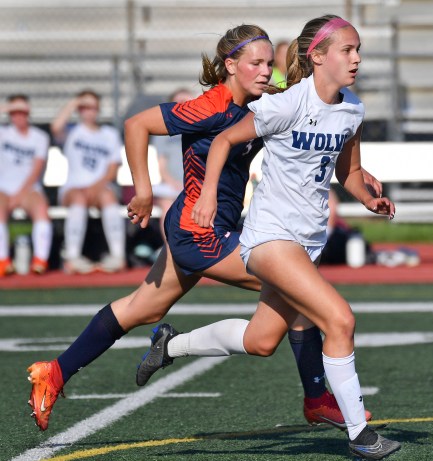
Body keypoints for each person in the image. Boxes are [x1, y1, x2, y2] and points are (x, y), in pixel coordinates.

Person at [26, 23, 377, 435]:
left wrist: (354, 170)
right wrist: (142, 190)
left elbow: (305, 116)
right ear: (231, 65)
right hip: (198, 231)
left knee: (144, 308)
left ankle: (55, 371)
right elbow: (136, 125)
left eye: (270, 63)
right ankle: (317, 399)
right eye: (256, 64)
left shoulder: (261, 105)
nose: (267, 72)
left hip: (218, 228)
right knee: (300, 292)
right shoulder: (209, 106)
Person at [144, 15, 402, 459]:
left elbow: (349, 171)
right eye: (347, 50)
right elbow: (224, 141)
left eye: (358, 50)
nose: (356, 59)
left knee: (261, 341)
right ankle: (360, 434)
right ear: (317, 57)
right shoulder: (286, 104)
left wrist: (367, 197)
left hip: (308, 241)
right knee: (339, 320)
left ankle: (171, 344)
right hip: (270, 239)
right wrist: (206, 199)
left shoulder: (352, 109)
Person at [50, 90, 126, 274]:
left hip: (101, 187)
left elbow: (112, 169)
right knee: (78, 198)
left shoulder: (109, 134)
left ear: (98, 110)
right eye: (84, 107)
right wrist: (75, 101)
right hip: (73, 188)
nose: (89, 111)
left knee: (108, 197)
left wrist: (95, 187)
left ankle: (118, 256)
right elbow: (55, 126)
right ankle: (72, 257)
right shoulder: (72, 132)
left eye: (92, 107)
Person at [0, 94, 53, 276]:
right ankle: (3, 261)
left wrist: (19, 195)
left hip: (29, 188)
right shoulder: (4, 133)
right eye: (14, 112)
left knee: (41, 210)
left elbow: (36, 169)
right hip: (4, 188)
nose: (19, 116)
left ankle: (40, 260)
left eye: (22, 112)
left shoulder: (39, 137)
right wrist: (6, 108)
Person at [151, 88, 193, 238]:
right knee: (167, 207)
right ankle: (170, 249)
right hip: (171, 184)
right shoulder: (163, 131)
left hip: (195, 183)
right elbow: (161, 165)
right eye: (180, 102)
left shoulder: (201, 129)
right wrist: (172, 182)